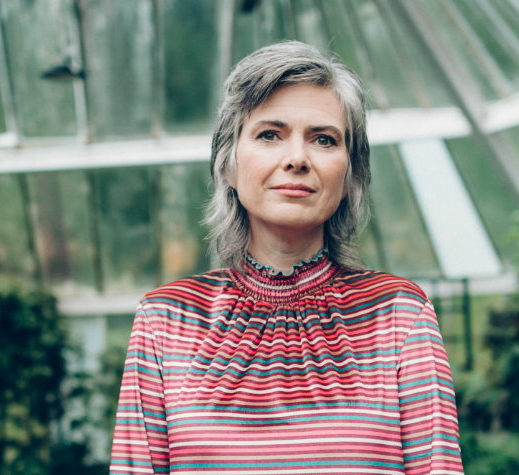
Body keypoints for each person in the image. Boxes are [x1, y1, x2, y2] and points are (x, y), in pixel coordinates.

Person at [108, 41, 464, 475]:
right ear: (229, 164)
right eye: (269, 134)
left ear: (350, 174)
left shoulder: (399, 315)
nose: (297, 158)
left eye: (324, 139)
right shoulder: (165, 320)